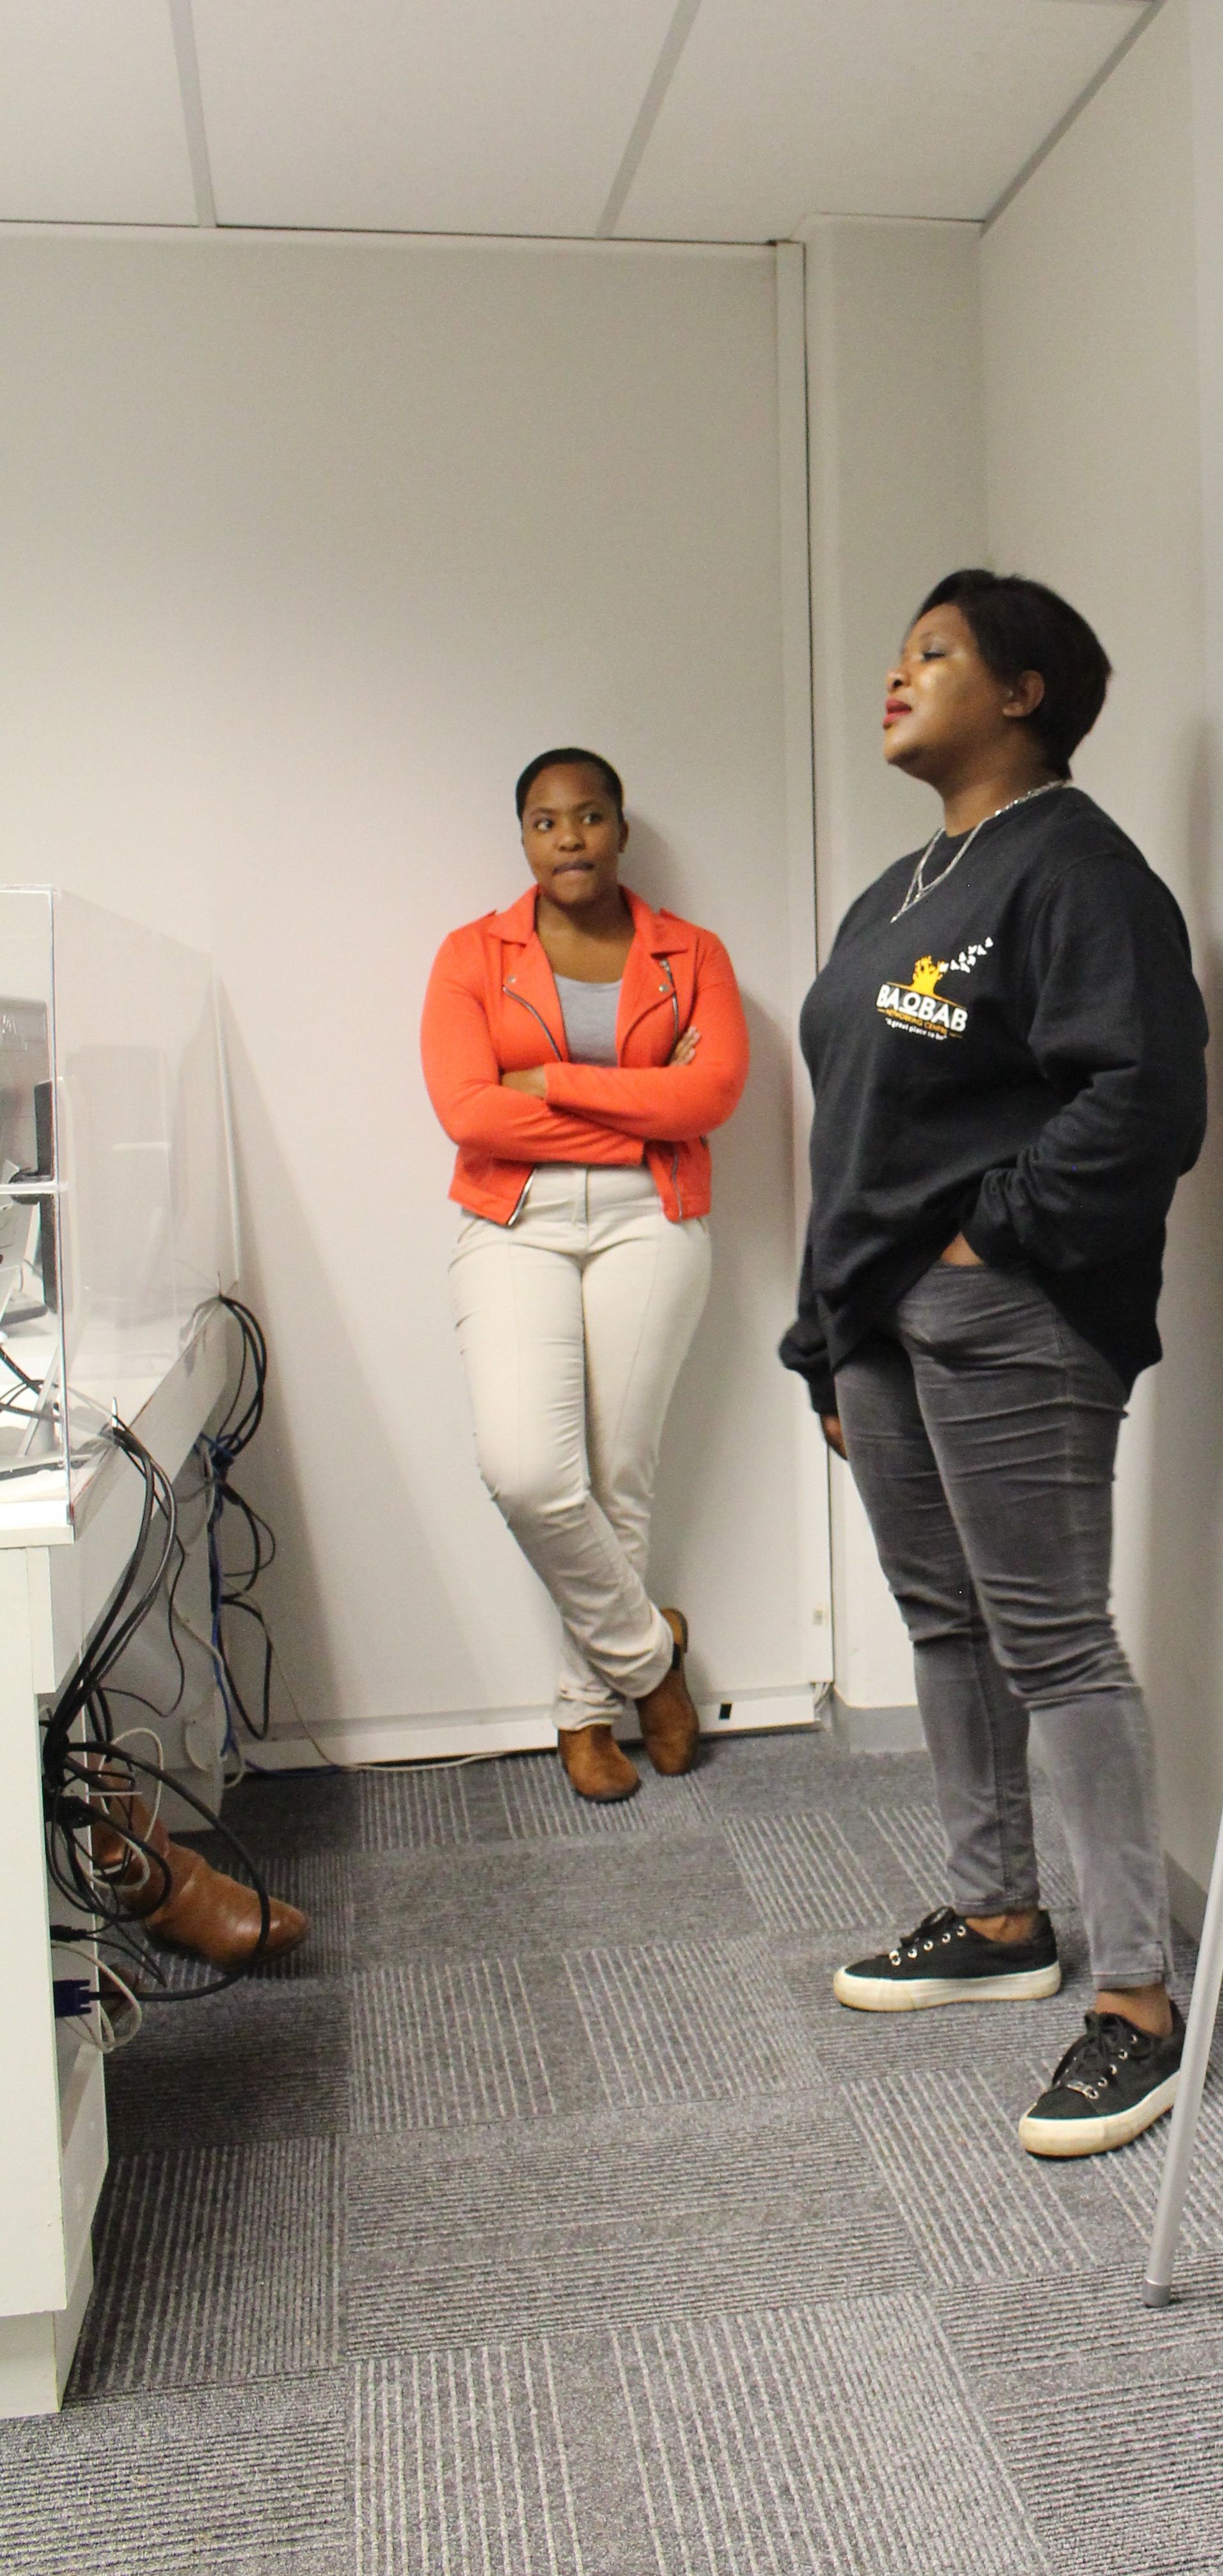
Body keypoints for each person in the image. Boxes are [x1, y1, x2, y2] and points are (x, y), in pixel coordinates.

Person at [782, 572, 1208, 2156]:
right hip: (879, 1320)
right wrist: (824, 1333)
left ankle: (1139, 2005)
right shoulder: (894, 893)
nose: (897, 675)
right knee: (945, 1620)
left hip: (1008, 1310)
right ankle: (997, 1917)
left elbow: (1145, 1099)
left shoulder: (1081, 870)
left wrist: (988, 1241)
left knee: (1055, 1641)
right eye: (900, 652)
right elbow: (854, 1126)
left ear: (1024, 692)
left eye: (936, 652)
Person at [422, 750, 747, 1802]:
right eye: (546, 820)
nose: (570, 836)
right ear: (525, 837)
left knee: (619, 1475)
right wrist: (638, 1111)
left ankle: (584, 1709)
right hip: (514, 1221)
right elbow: (470, 1111)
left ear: (621, 829)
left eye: (591, 814)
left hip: (653, 1220)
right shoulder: (472, 954)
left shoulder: (692, 953)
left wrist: (550, 1083)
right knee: (527, 1470)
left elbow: (710, 1097)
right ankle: (653, 1657)